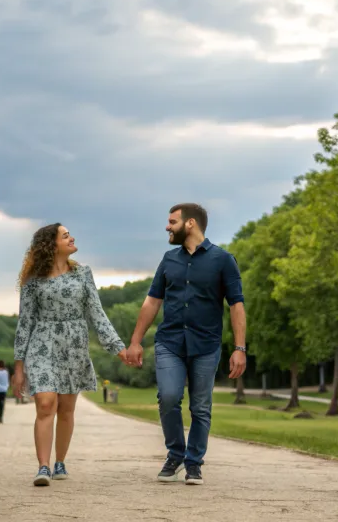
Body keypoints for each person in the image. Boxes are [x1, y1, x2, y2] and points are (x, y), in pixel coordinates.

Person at [126, 203, 247, 486]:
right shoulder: (169, 260)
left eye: (172, 221)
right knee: (168, 397)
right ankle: (175, 454)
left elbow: (236, 305)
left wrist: (239, 348)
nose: (167, 227)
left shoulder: (223, 260)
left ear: (190, 223)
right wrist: (135, 341)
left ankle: (194, 463)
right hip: (170, 341)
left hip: (206, 344)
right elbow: (152, 301)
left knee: (200, 407)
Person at [12, 223, 128, 487]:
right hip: (41, 344)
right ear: (51, 245)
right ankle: (43, 467)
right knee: (45, 403)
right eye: (65, 236)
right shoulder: (33, 280)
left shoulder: (83, 274)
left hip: (74, 346)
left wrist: (118, 348)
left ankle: (60, 461)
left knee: (66, 408)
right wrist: (19, 366)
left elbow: (97, 314)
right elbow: (25, 322)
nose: (72, 237)